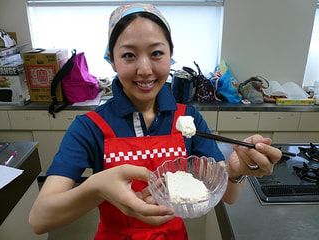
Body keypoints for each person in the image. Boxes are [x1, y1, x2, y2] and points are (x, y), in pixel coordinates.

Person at [29, 3, 282, 239]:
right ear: (112, 60)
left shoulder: (188, 118)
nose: (145, 69)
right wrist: (95, 187)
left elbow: (228, 195)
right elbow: (39, 219)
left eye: (156, 53)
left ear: (171, 56)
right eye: (129, 55)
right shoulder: (88, 128)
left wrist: (236, 171)